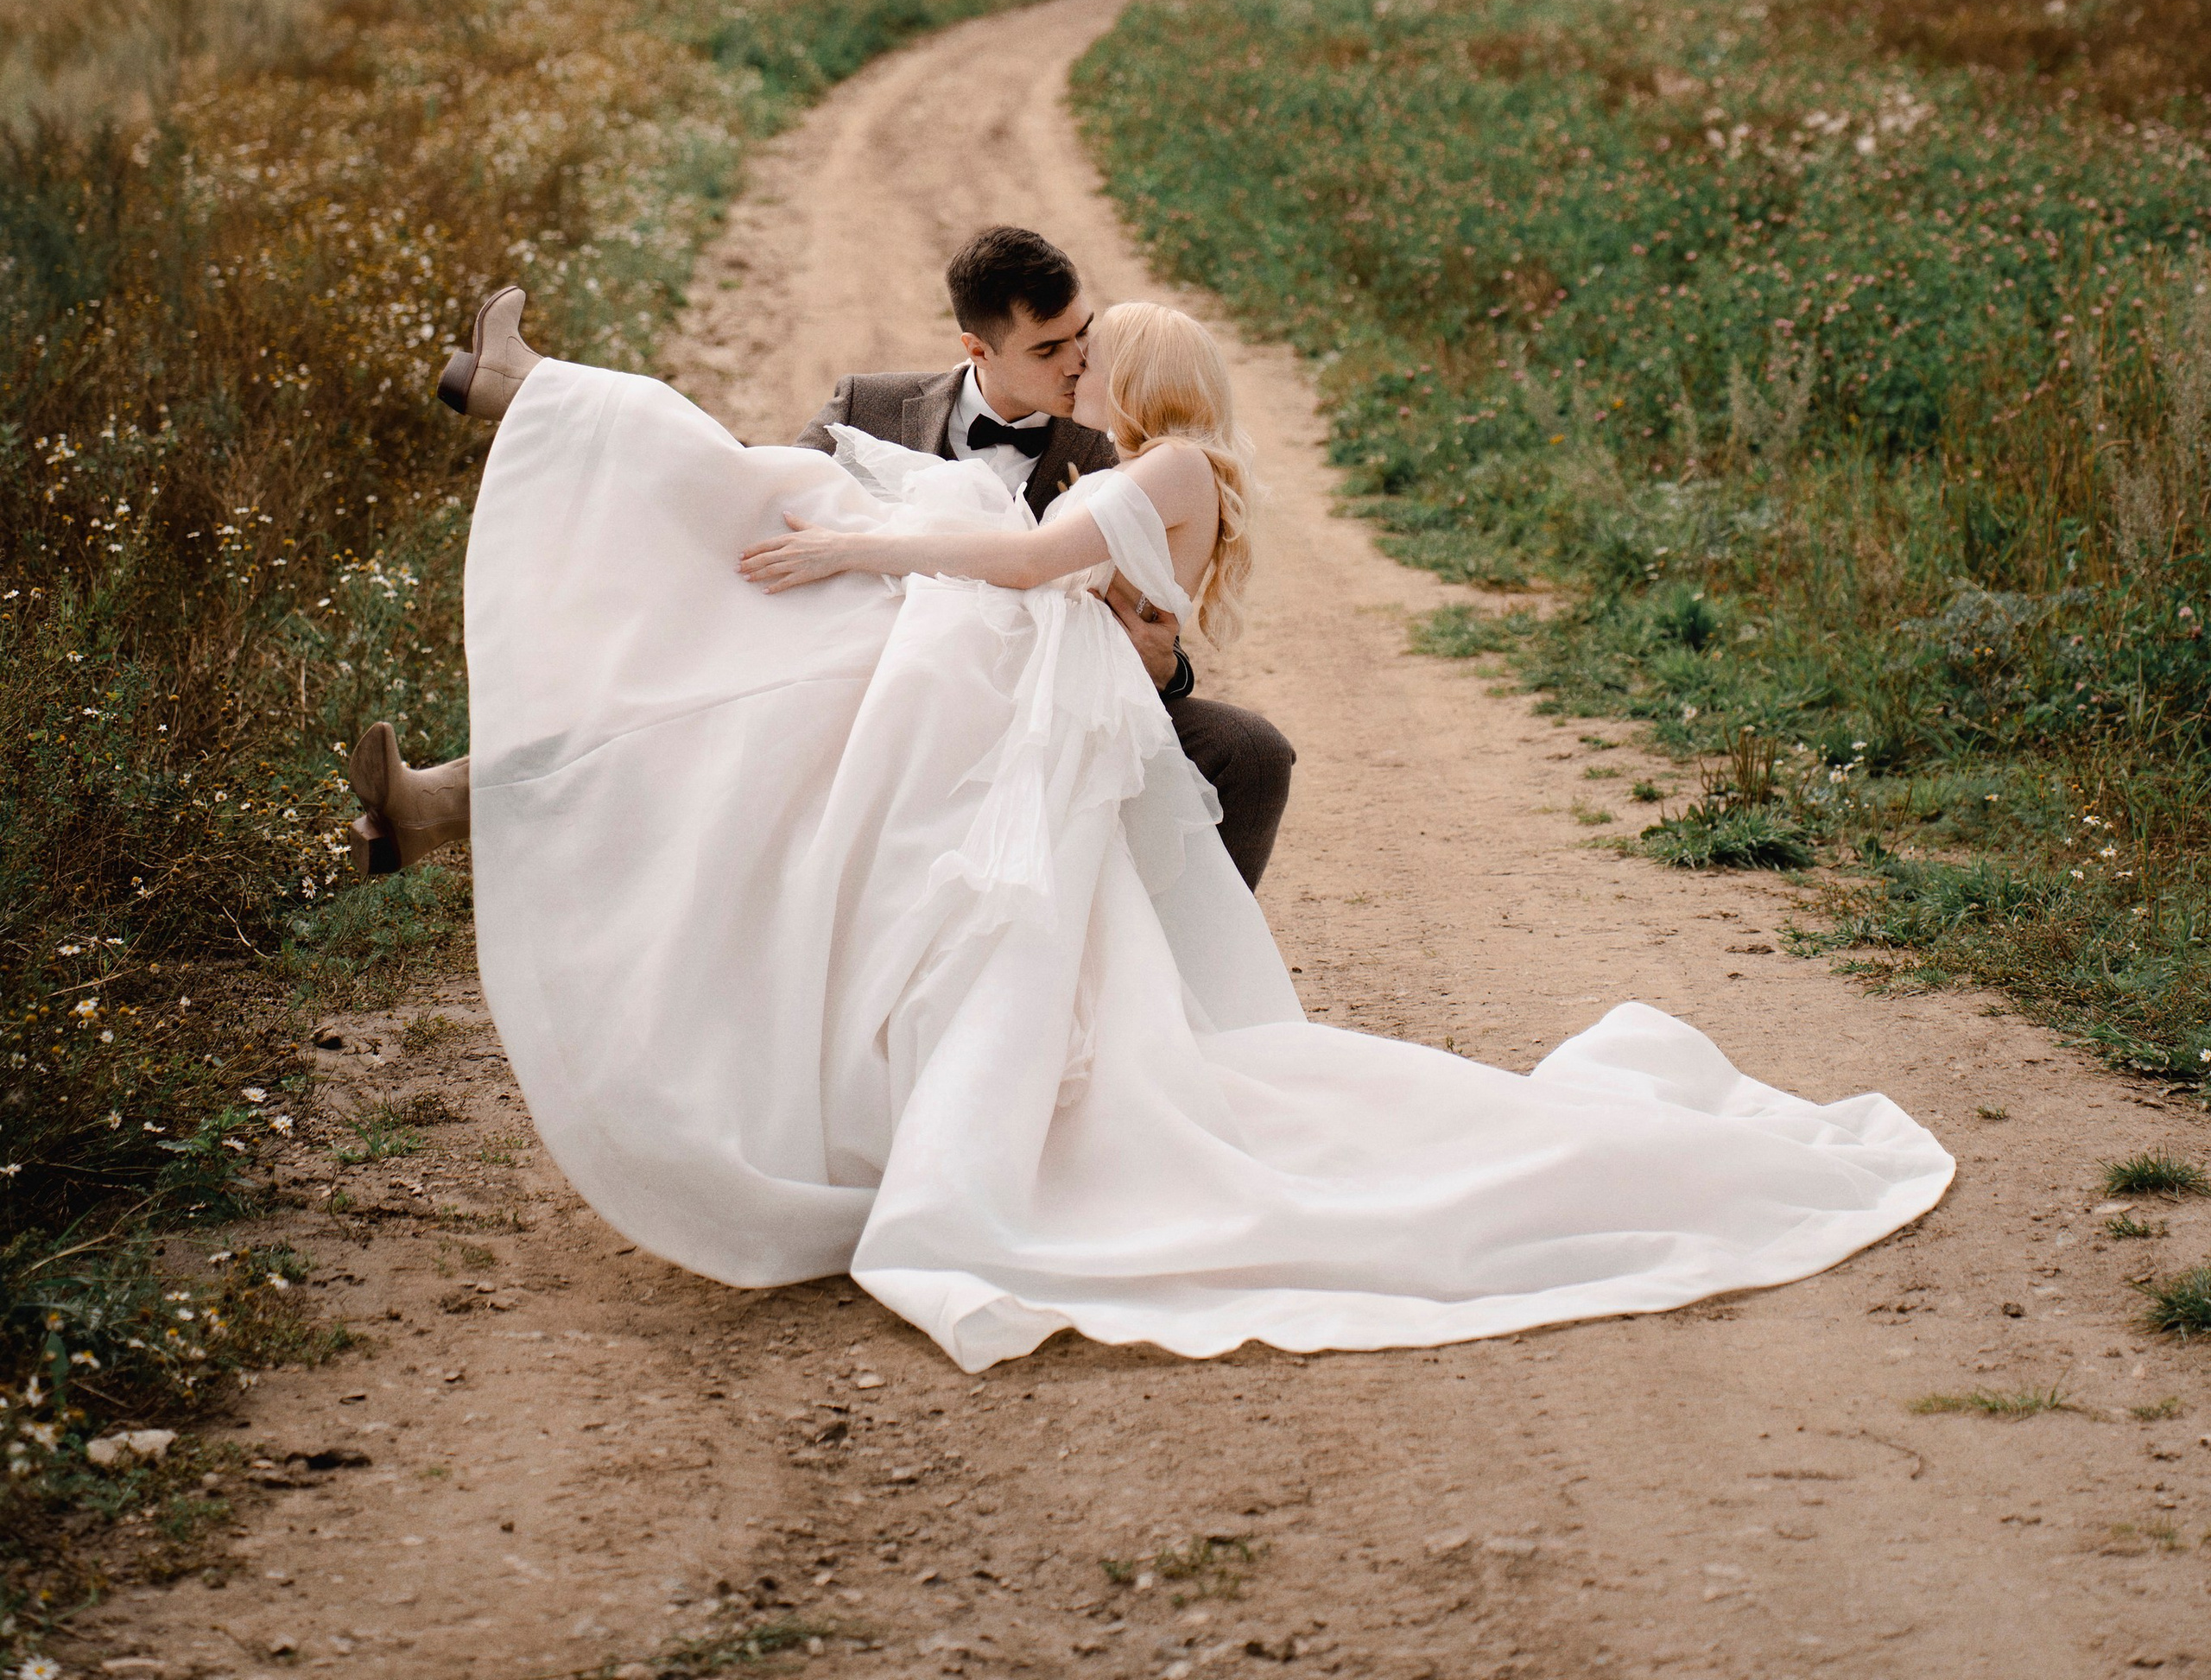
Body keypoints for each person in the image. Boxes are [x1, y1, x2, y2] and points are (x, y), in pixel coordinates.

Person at [348, 278, 1951, 1377]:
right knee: (760, 687)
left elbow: (1040, 578)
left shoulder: (1153, 469)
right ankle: (530, 425)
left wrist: (862, 549)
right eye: (1068, 347)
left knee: (808, 691)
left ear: (1142, 377)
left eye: (1100, 350)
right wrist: (863, 543)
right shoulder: (1156, 463)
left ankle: (532, 415)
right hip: (1025, 692)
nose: (1082, 366)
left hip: (1042, 690)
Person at [792, 225, 1295, 890]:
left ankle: (1177, 967)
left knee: (1249, 750)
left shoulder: (1122, 445)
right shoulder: (868, 407)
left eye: (1084, 335)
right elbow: (780, 519)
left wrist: (1168, 668)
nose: (1077, 362)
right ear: (979, 350)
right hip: (883, 681)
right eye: (1049, 348)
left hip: (1054, 687)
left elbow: (1134, 609)